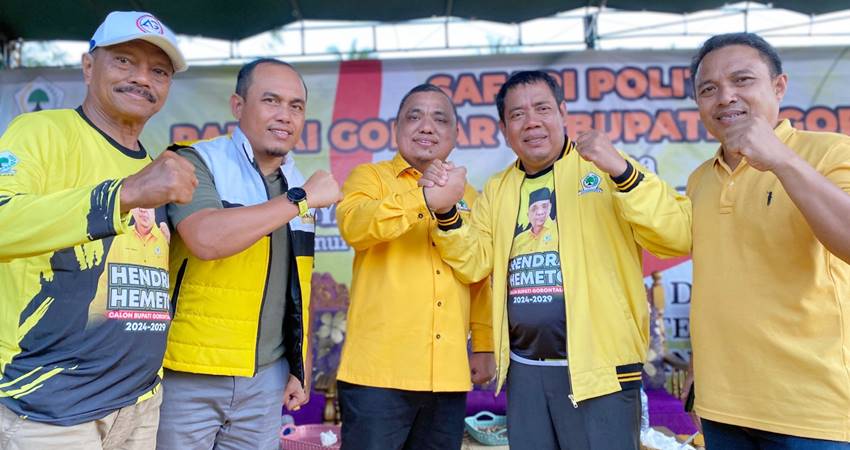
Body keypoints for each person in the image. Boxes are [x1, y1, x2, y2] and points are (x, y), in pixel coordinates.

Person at [420, 71, 691, 450]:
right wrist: (447, 212)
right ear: (504, 130)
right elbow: (474, 262)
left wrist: (623, 172)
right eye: (517, 115)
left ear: (563, 112)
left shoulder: (603, 166)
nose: (531, 122)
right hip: (525, 370)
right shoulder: (498, 188)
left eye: (542, 108)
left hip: (599, 369)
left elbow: (677, 235)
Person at [0, 10, 196, 450]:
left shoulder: (155, 166)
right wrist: (122, 194)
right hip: (50, 407)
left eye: (159, 71)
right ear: (89, 67)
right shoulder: (40, 132)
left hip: (138, 403)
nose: (142, 78)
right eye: (124, 61)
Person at [155, 58, 341, 450]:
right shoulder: (195, 161)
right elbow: (206, 238)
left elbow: (298, 285)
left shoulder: (296, 180)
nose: (285, 115)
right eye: (271, 100)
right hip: (191, 372)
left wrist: (300, 365)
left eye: (296, 106)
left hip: (266, 377)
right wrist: (300, 200)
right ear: (238, 106)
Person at [687, 32, 850, 448]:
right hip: (723, 408)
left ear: (779, 87)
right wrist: (699, 370)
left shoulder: (830, 152)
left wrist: (781, 159)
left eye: (742, 80)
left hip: (811, 409)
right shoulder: (699, 179)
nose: (725, 97)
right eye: (709, 89)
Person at [334, 83, 495, 450]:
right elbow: (355, 227)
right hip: (378, 373)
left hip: (447, 375)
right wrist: (425, 197)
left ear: (456, 133)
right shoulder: (370, 177)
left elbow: (478, 274)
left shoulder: (470, 196)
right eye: (415, 117)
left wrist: (484, 344)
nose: (427, 127)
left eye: (440, 119)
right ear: (396, 128)